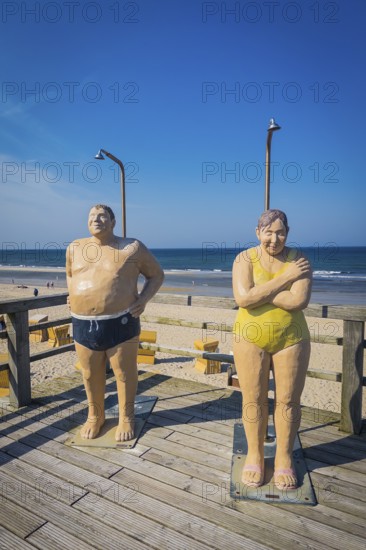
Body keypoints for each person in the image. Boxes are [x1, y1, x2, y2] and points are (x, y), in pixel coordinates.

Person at [66, 204, 164, 441]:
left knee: (124, 373)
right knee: (89, 374)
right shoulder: (74, 247)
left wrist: (144, 299)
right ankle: (95, 415)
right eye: (91, 215)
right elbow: (70, 274)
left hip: (120, 321)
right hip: (83, 323)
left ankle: (126, 417)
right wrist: (73, 294)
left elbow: (156, 275)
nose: (96, 219)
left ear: (113, 222)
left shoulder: (131, 248)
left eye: (102, 215)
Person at [232, 209, 312, 490]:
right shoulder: (244, 259)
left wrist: (260, 292)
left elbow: (298, 301)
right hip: (249, 337)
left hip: (291, 338)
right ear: (258, 233)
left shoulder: (299, 260)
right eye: (268, 232)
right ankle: (255, 454)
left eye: (280, 232)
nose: (274, 239)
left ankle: (283, 457)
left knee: (288, 400)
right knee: (253, 399)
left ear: (287, 233)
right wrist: (283, 279)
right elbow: (242, 298)